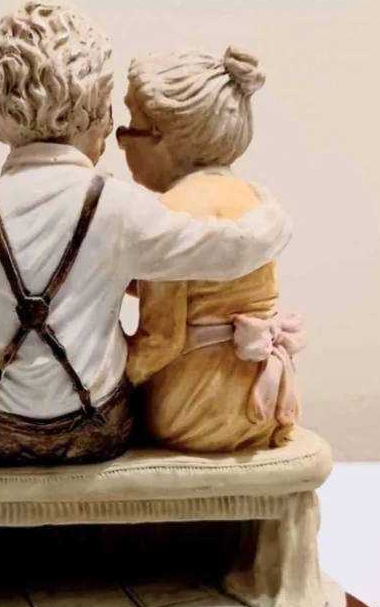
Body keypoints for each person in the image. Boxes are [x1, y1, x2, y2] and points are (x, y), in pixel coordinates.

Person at [0, 0, 293, 466]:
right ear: (98, 112)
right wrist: (272, 212)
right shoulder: (120, 209)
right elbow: (232, 250)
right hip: (94, 432)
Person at [123, 47, 304, 452]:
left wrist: (106, 381)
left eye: (130, 126)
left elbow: (160, 340)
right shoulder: (257, 200)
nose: (121, 142)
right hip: (265, 402)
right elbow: (217, 291)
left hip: (193, 409)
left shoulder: (171, 214)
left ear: (161, 136)